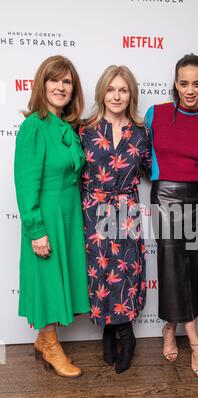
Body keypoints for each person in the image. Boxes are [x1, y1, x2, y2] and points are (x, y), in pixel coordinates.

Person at [145, 54, 198, 380]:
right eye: (183, 83)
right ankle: (194, 341)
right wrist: (173, 170)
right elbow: (141, 159)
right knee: (172, 266)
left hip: (196, 199)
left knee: (193, 269)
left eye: (196, 83)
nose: (189, 90)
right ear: (175, 83)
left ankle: (169, 327)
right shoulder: (156, 114)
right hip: (164, 197)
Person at [14, 55, 90, 378]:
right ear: (41, 84)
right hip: (47, 216)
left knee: (59, 278)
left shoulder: (68, 127)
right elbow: (26, 182)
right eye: (54, 80)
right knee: (47, 279)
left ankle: (41, 340)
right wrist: (36, 229)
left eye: (67, 81)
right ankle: (52, 346)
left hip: (69, 216)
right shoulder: (34, 126)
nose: (61, 87)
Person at [79, 65, 151, 374]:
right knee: (100, 273)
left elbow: (152, 169)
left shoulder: (140, 131)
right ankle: (108, 332)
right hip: (93, 210)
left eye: (123, 89)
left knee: (124, 275)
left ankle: (127, 337)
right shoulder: (84, 129)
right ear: (102, 92)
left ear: (131, 94)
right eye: (111, 89)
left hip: (126, 210)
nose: (117, 95)